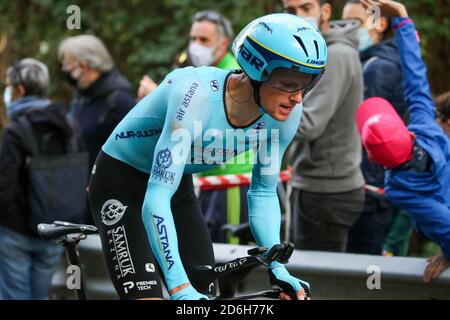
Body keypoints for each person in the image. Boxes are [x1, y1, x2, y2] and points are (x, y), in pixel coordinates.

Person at [88, 13, 327, 300]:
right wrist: (178, 287)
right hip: (122, 182)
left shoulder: (285, 115)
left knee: (206, 299)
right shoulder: (195, 97)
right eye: (289, 84)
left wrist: (277, 268)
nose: (298, 98)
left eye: (307, 85)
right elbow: (156, 197)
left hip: (176, 189)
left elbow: (263, 191)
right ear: (256, 69)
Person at [357, 0, 450, 284]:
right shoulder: (426, 126)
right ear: (407, 133)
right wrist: (402, 18)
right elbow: (414, 75)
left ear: (372, 158)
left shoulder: (397, 189)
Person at [284, 0, 366, 252]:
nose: (298, 17)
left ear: (325, 11)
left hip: (326, 192)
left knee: (316, 283)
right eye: (290, 11)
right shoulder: (318, 52)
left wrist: (255, 111)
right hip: (318, 186)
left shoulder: (335, 55)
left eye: (305, 8)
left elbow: (308, 124)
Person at [343, 0, 411, 256]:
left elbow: (373, 136)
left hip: (369, 191)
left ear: (381, 23)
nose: (350, 30)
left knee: (366, 278)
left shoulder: (378, 68)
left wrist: (366, 189)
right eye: (346, 23)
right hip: (375, 188)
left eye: (357, 23)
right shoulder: (376, 61)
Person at [0, 58, 68, 299]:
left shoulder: (16, 131)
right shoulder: (67, 124)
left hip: (16, 233)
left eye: (8, 87)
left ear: (19, 90)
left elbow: (4, 187)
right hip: (54, 228)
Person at [58, 34, 135, 224]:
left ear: (84, 65)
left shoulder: (119, 100)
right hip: (79, 199)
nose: (64, 70)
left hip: (109, 203)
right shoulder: (81, 98)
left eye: (67, 64)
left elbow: (136, 151)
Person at [137, 11, 239, 100]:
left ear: (223, 44)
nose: (196, 45)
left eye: (204, 39)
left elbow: (206, 112)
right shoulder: (190, 66)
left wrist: (157, 95)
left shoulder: (232, 74)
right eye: (193, 39)